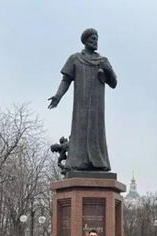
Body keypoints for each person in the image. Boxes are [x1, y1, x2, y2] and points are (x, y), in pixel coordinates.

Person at [48, 28, 117, 171]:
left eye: (96, 39)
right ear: (85, 41)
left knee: (96, 132)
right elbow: (66, 80)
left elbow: (113, 83)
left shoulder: (103, 61)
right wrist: (58, 96)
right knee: (80, 130)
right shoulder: (75, 59)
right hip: (81, 105)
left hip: (97, 107)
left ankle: (99, 162)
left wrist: (108, 70)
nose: (95, 42)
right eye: (92, 39)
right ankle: (78, 162)